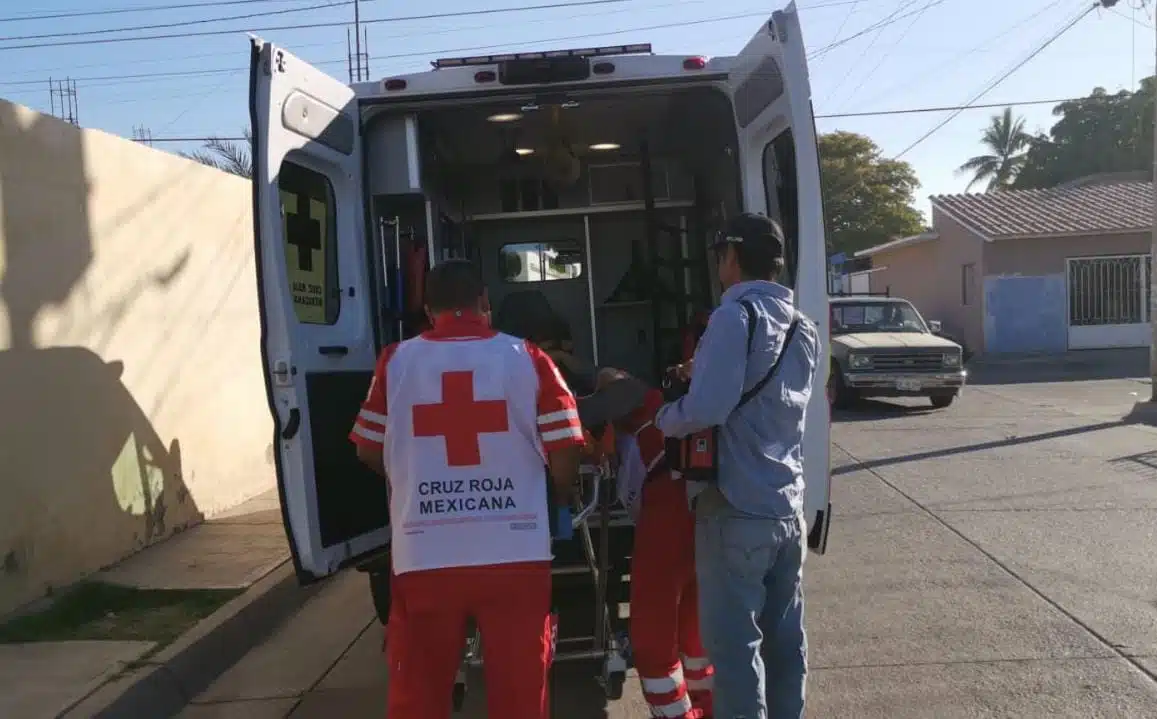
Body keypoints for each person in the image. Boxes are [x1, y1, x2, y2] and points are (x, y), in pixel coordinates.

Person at [348, 258, 585, 719]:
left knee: (418, 691)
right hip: (514, 553)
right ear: (484, 303)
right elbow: (565, 448)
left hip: (425, 554)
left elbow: (367, 449)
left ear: (427, 307)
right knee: (520, 691)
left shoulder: (396, 361)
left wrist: (415, 478)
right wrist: (556, 494)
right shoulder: (530, 358)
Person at [655, 213, 820, 719]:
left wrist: (666, 417)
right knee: (785, 644)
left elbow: (709, 409)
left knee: (736, 652)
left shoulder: (733, 317)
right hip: (785, 508)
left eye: (720, 256)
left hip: (735, 510)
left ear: (731, 257)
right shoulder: (804, 325)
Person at [596, 367, 714, 719]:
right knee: (696, 640)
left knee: (653, 648)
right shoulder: (670, 415)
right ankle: (708, 710)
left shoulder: (639, 421)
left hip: (665, 526)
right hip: (704, 521)